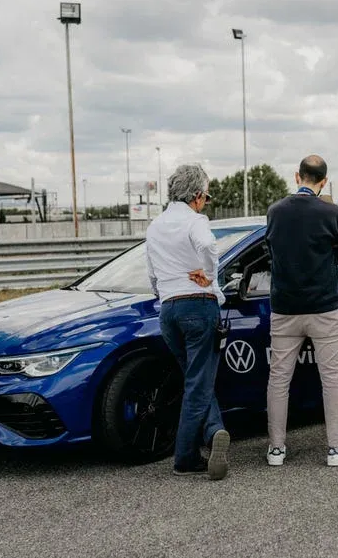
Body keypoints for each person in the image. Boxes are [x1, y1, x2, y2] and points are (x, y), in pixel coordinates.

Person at [264, 155, 338, 467]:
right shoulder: (330, 211)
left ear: (297, 176)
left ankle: (276, 449)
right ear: (324, 181)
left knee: (279, 379)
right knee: (332, 378)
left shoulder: (275, 211)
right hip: (324, 307)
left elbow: (271, 251)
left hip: (285, 307)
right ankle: (336, 449)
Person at [145, 163, 231, 479]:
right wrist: (208, 275)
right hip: (198, 306)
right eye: (206, 197)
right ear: (196, 196)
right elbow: (208, 246)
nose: (205, 202)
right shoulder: (195, 221)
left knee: (195, 377)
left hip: (168, 310)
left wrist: (166, 293)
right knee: (198, 381)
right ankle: (185, 457)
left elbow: (152, 275)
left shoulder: (154, 226)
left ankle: (214, 431)